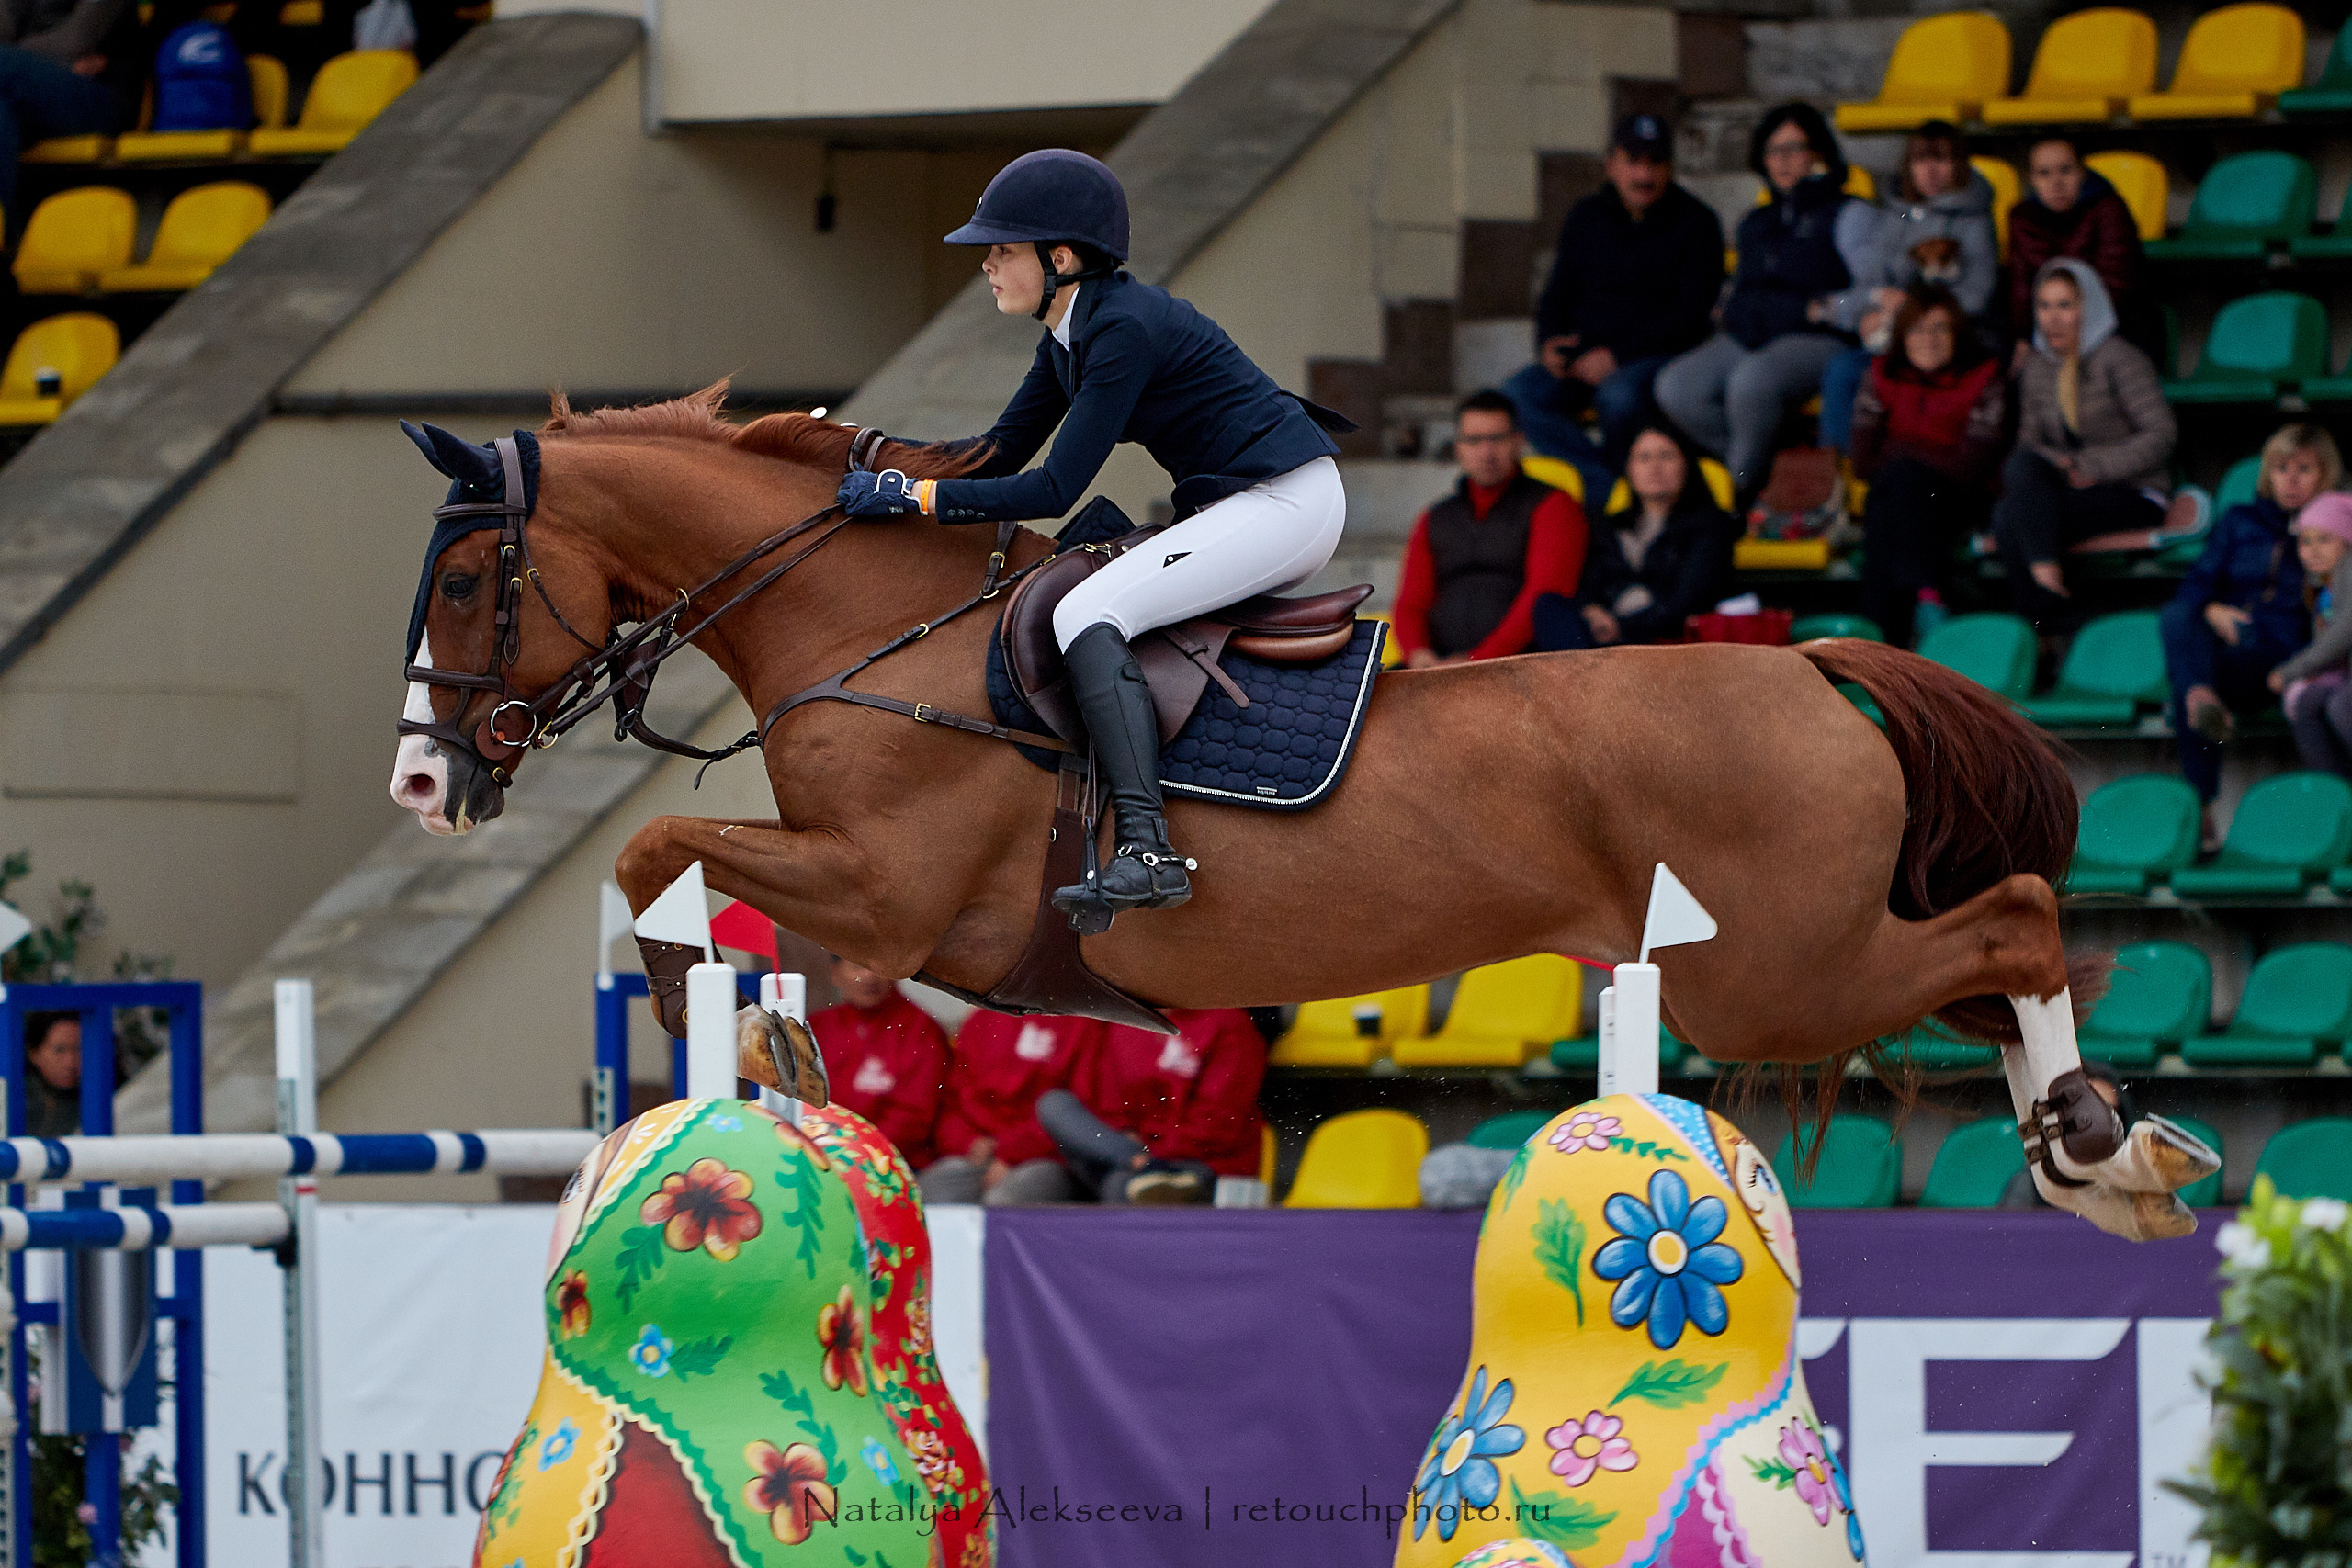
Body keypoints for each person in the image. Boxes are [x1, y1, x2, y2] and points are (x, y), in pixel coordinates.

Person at [835, 149, 1350, 923]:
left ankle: (1148, 849)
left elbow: (1051, 488)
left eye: (1003, 251)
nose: (989, 267)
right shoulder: (1071, 335)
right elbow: (999, 450)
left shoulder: (1122, 332)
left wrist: (914, 498)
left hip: (1288, 503)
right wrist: (876, 460)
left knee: (1085, 612)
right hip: (1247, 500)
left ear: (1062, 257)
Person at [1653, 102, 1878, 495]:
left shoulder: (1849, 213)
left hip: (1817, 338)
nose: (1783, 160)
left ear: (1818, 153)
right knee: (1675, 387)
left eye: (1794, 148)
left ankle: (1737, 497)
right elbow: (1742, 289)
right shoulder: (1755, 222)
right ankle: (1768, 469)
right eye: (1773, 151)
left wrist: (1824, 309)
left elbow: (1872, 294)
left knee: (1750, 382)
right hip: (1752, 334)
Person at [1504, 111, 1724, 476]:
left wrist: (1617, 356)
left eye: (1655, 164)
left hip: (1655, 357)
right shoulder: (1586, 216)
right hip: (1585, 354)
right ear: (1611, 166)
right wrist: (1549, 344)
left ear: (1669, 168)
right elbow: (1557, 294)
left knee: (1618, 397)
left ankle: (1617, 488)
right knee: (1518, 395)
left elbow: (1690, 316)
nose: (1644, 176)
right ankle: (1604, 487)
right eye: (1633, 162)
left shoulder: (1697, 222)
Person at [1992, 259, 2190, 631]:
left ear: (2090, 306)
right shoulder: (2037, 367)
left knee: (2012, 519)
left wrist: (2092, 468)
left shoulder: (2120, 358)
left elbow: (2161, 434)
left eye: (2065, 305)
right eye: (2044, 306)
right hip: (2070, 491)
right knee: (2016, 481)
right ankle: (2050, 599)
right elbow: (2030, 445)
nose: (2053, 318)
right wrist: (2067, 468)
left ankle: (2044, 621)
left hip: (2132, 492)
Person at [2162, 424, 2334, 826]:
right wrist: (2211, 610)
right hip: (2229, 640)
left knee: (2185, 683)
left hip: (2281, 651)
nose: (2290, 480)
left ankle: (2200, 813)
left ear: (2325, 475)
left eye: (2304, 469)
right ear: (2267, 474)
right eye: (2281, 468)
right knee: (2177, 618)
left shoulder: (2329, 531)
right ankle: (2202, 697)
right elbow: (2194, 587)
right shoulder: (2239, 520)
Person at [1818, 121, 1998, 453]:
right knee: (1843, 370)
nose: (1929, 170)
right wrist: (1869, 308)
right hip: (1893, 340)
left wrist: (1907, 309)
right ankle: (1835, 477)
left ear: (1958, 165)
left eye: (1940, 159)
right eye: (1920, 160)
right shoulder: (1894, 218)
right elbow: (1868, 284)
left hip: (1950, 341)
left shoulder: (1974, 220)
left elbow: (1975, 298)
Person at [1848, 287, 2007, 648]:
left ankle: (1879, 638)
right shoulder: (1879, 374)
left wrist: (1902, 452)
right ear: (1902, 336)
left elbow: (1971, 466)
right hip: (1902, 498)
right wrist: (1917, 458)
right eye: (1917, 329)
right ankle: (1927, 594)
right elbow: (1862, 463)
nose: (1928, 340)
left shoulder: (1984, 376)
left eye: (1940, 329)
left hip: (1962, 500)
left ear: (1958, 335)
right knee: (1894, 491)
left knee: (1898, 485)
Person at [1390, 390, 1588, 666]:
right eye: (1474, 440)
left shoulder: (1553, 506)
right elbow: (1411, 602)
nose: (1486, 451)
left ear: (1518, 441)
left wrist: (1477, 661)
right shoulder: (1435, 516)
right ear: (1458, 447)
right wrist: (1418, 654)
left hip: (1520, 665)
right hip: (1435, 666)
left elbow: (1543, 598)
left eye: (1497, 439)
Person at [1531, 425, 1737, 650]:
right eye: (1644, 458)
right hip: (1603, 637)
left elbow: (1688, 603)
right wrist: (1591, 609)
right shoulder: (1608, 525)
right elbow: (1587, 584)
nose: (1655, 467)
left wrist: (1620, 625)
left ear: (1687, 465)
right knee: (1549, 605)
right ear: (1629, 469)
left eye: (1666, 456)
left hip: (1665, 643)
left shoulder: (1712, 526)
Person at [1033, 1006, 1266, 1205]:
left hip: (1202, 1165)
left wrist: (1154, 1150)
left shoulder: (1230, 1024)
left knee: (1122, 1185)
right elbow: (1108, 1104)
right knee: (1054, 1105)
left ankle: (1147, 1171)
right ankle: (1143, 1166)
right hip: (1126, 1155)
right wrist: (1127, 1140)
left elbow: (1218, 1126)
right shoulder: (1125, 1021)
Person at [918, 1010, 1102, 1206]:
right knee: (923, 1194)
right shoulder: (981, 1020)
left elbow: (1077, 1114)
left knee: (1003, 1204)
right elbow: (951, 1103)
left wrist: (1009, 1152)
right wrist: (968, 1142)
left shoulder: (1081, 1021)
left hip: (1050, 1158)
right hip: (979, 1154)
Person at [0, 0, 144, 224]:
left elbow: (77, 39)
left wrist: (15, 58)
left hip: (101, 97)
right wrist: (58, 64)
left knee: (4, 64)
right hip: (26, 92)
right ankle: (6, 236)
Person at [2004, 137, 2144, 355]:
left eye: (2065, 170)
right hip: (2047, 336)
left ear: (2082, 173)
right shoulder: (2022, 218)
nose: (2056, 182)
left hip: (2113, 330)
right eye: (2044, 173)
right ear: (2032, 180)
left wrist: (2069, 330)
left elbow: (2117, 286)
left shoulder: (2109, 208)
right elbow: (2021, 290)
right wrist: (2022, 338)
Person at [808, 956, 949, 1170]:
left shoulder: (920, 1030)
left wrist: (854, 1155)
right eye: (858, 967)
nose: (869, 977)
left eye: (880, 967)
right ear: (835, 974)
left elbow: (913, 1118)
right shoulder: (818, 1027)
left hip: (896, 1165)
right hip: (822, 1157)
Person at [2274, 493, 2352, 778]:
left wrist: (2294, 670)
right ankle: (2336, 792)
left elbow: (2345, 632)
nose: (2314, 550)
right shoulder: (2323, 589)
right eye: (2306, 541)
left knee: (2341, 704)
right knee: (2306, 702)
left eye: (2325, 539)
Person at [22, 1009, 79, 1137]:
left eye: (79, 1049)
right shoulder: (16, 1102)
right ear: (34, 1053)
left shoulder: (111, 1098)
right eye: (59, 1050)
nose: (71, 1062)